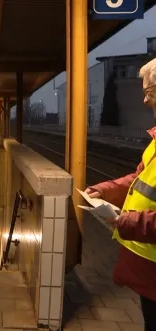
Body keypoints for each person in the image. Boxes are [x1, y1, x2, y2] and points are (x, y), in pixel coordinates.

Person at [85, 57, 156, 331]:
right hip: (148, 273)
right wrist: (104, 190)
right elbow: (138, 179)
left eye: (149, 92)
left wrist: (126, 222)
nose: (145, 101)